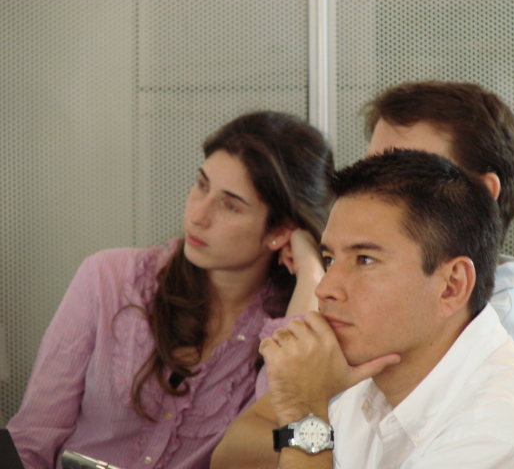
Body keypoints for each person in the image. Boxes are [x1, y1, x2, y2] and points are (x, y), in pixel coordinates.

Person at [224, 150, 514, 469]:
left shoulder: (501, 437)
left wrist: (305, 415)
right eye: (329, 260)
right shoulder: (373, 381)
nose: (325, 288)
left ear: (451, 286)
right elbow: (227, 457)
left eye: (365, 260)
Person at [7, 111, 334, 469]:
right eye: (202, 185)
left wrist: (311, 277)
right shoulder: (107, 278)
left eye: (230, 205)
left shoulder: (289, 323)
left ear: (281, 231)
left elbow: (278, 443)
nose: (198, 215)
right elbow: (34, 437)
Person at [365, 81, 514, 379]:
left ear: (482, 195)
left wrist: (305, 400)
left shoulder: (501, 338)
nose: (373, 196)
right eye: (370, 174)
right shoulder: (402, 303)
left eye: (408, 177)